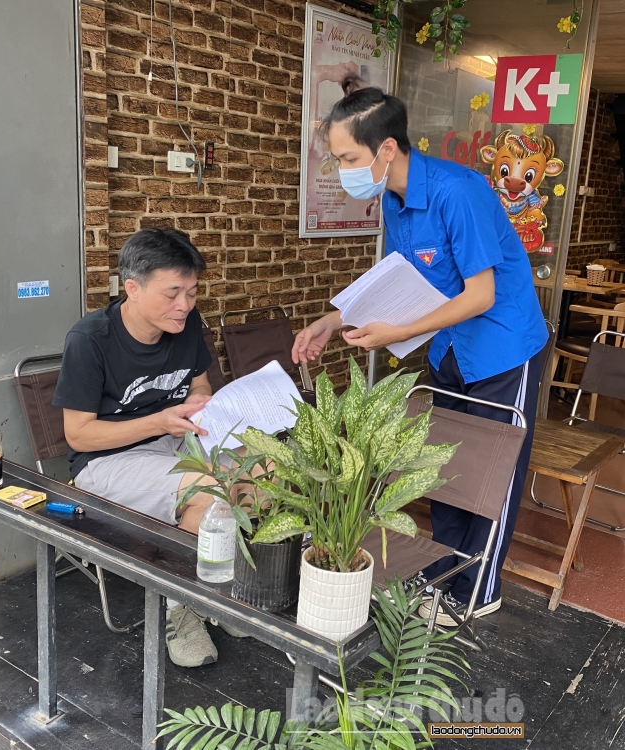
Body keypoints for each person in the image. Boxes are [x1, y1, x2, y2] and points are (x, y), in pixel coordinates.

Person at [291, 76, 548, 626]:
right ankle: (444, 574)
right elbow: (402, 278)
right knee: (447, 464)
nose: (343, 170)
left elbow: (481, 295)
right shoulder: (394, 199)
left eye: (348, 158)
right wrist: (334, 321)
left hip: (503, 347)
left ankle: (478, 590)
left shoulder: (459, 192)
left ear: (386, 148)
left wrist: (397, 333)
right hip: (450, 347)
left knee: (493, 469)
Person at [53, 227, 241, 669]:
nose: (185, 305)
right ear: (132, 288)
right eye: (173, 293)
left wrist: (201, 406)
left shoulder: (186, 324)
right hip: (106, 461)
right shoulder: (90, 339)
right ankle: (182, 608)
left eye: (192, 292)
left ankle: (213, 595)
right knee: (208, 490)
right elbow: (78, 435)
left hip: (175, 438)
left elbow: (199, 384)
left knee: (257, 473)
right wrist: (158, 422)